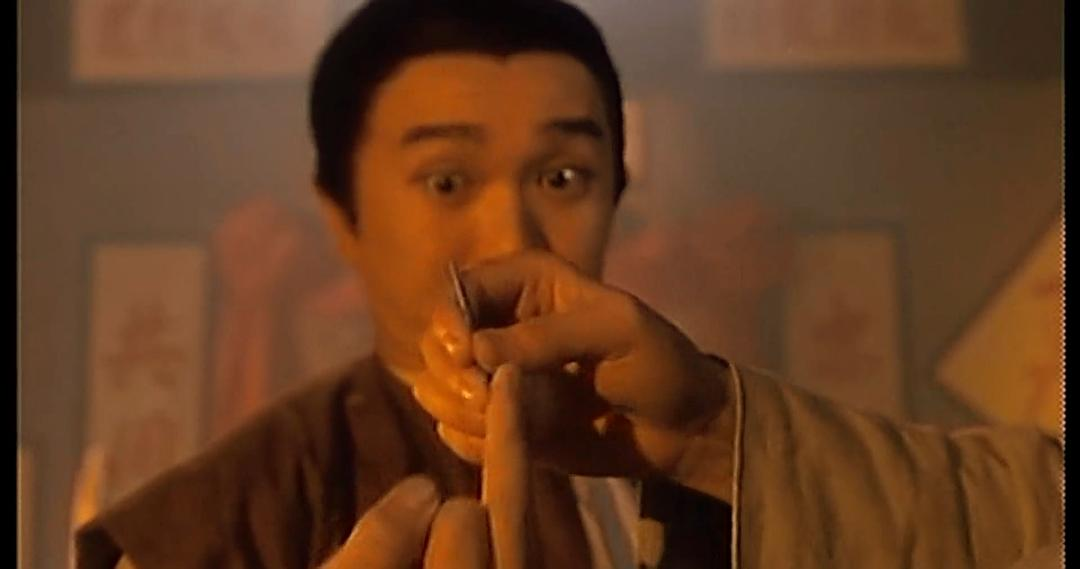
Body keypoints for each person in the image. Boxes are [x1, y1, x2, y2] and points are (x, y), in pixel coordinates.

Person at [74, 1, 1063, 568]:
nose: (512, 236)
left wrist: (712, 434)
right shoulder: (228, 509)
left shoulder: (691, 455)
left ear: (618, 191)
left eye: (562, 177)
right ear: (340, 212)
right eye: (447, 181)